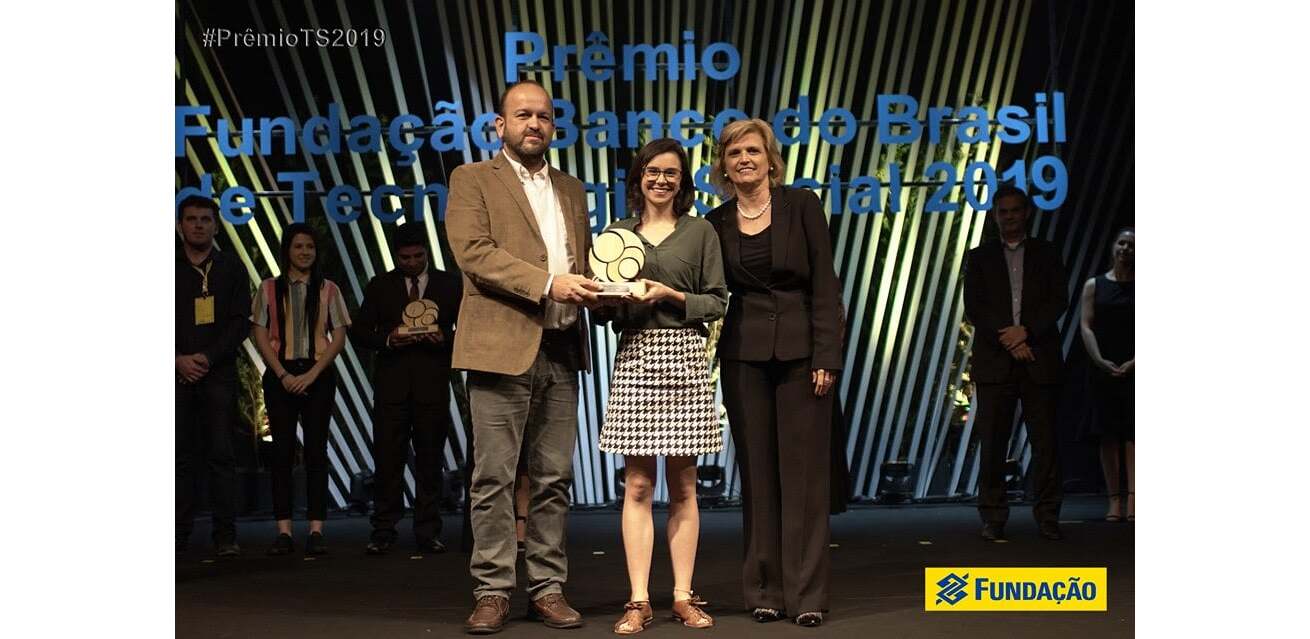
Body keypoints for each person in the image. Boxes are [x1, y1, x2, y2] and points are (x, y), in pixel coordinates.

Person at [445, 79, 603, 635]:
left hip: (562, 347)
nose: (534, 124)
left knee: (554, 477)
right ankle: (492, 589)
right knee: (493, 477)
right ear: (500, 125)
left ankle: (546, 588)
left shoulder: (572, 189)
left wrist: (611, 288)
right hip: (499, 348)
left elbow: (580, 263)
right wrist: (548, 283)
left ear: (553, 125)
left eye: (543, 115)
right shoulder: (471, 179)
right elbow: (474, 253)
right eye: (522, 115)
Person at [704, 119, 844, 628]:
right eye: (734, 153)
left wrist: (827, 356)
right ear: (724, 166)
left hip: (804, 356)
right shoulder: (716, 222)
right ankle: (765, 589)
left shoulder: (802, 205)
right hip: (744, 357)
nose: (744, 159)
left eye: (753, 151)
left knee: (804, 478)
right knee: (759, 475)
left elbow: (825, 285)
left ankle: (806, 595)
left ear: (770, 159)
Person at [593, 139, 728, 634]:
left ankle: (682, 596)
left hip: (685, 356)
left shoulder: (700, 231)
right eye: (652, 171)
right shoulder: (616, 234)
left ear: (683, 181)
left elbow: (717, 301)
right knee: (637, 484)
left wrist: (670, 294)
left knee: (684, 484)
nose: (661, 180)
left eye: (671, 173)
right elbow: (605, 311)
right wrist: (604, 300)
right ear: (639, 177)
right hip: (636, 355)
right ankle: (638, 600)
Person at [963, 185, 1069, 542]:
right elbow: (975, 307)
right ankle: (993, 517)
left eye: (1015, 210)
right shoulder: (979, 257)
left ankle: (1048, 516)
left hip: (1040, 359)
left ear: (1026, 213)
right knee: (993, 443)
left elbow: (1059, 299)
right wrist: (1010, 338)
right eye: (1003, 211)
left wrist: (1026, 332)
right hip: (995, 363)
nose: (1009, 217)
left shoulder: (1047, 253)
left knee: (1046, 444)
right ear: (995, 216)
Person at [350, 222, 463, 554]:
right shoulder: (380, 286)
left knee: (430, 460)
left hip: (432, 384)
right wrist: (388, 338)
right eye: (405, 258)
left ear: (426, 252)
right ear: (395, 256)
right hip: (392, 387)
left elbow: (470, 330)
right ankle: (383, 530)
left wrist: (445, 338)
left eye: (418, 256)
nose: (412, 263)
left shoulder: (449, 284)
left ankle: (428, 531)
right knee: (388, 460)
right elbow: (360, 332)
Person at [250, 223, 350, 556]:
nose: (305, 252)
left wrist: (312, 374)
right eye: (298, 246)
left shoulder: (329, 289)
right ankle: (284, 531)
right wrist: (281, 374)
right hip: (280, 374)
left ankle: (316, 530)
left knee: (316, 452)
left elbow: (338, 336)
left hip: (317, 375)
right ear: (287, 251)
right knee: (281, 453)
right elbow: (259, 333)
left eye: (310, 246)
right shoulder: (268, 288)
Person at [176, 195, 251, 557]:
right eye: (191, 219)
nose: (198, 225)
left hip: (218, 373)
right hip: (174, 373)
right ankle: (176, 535)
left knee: (222, 456)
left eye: (205, 219)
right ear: (180, 226)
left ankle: (225, 536)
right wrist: (177, 359)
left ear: (216, 226)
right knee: (178, 458)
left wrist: (206, 358)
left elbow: (240, 323)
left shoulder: (231, 267)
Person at [1078, 228, 1134, 522]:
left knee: (1135, 433)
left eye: (1132, 245)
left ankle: (1135, 498)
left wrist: (1135, 362)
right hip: (1103, 366)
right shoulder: (1094, 285)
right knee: (1108, 433)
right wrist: (1099, 359)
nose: (1126, 248)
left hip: (1135, 367)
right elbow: (1086, 325)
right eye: (1122, 243)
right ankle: (1114, 500)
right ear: (1113, 246)